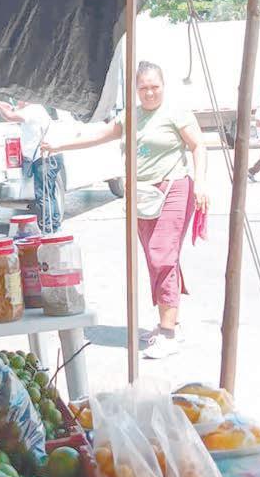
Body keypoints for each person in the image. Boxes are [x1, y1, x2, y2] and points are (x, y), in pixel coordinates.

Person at [43, 61, 208, 359]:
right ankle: (171, 321)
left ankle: (168, 333)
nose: (149, 93)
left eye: (154, 87)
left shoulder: (176, 112)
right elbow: (100, 135)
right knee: (157, 259)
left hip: (173, 188)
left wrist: (202, 183)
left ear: (163, 86)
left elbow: (199, 146)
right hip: (141, 195)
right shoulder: (130, 116)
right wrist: (58, 145)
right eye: (143, 88)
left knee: (162, 254)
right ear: (135, 88)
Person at [0, 97, 65, 232]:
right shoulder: (36, 109)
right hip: (49, 158)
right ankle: (54, 226)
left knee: (43, 195)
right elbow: (11, 112)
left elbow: (10, 116)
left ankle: (47, 228)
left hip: (44, 159)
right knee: (49, 193)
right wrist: (2, 106)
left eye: (18, 99)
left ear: (25, 99)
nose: (17, 102)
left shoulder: (32, 109)